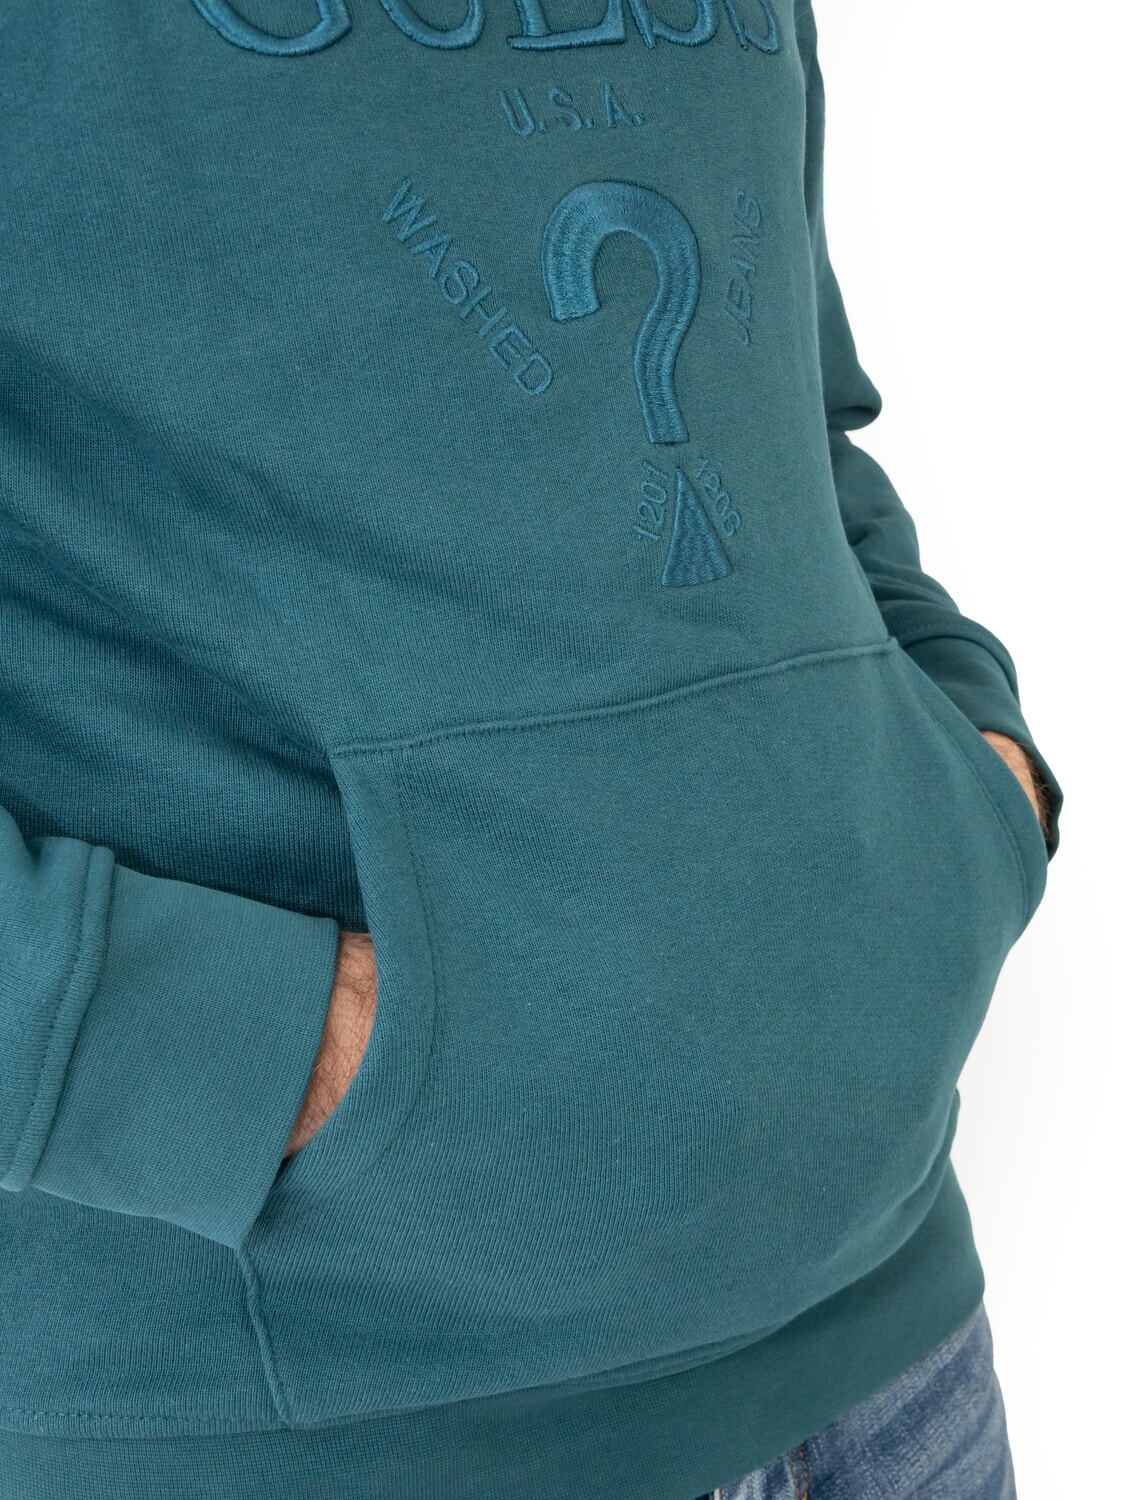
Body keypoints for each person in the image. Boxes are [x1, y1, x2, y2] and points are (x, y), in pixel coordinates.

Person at [0, 2, 1063, 1497]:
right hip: (316, 1412)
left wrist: (974, 768)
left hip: (891, 1324)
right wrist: (230, 1051)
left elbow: (787, 403)